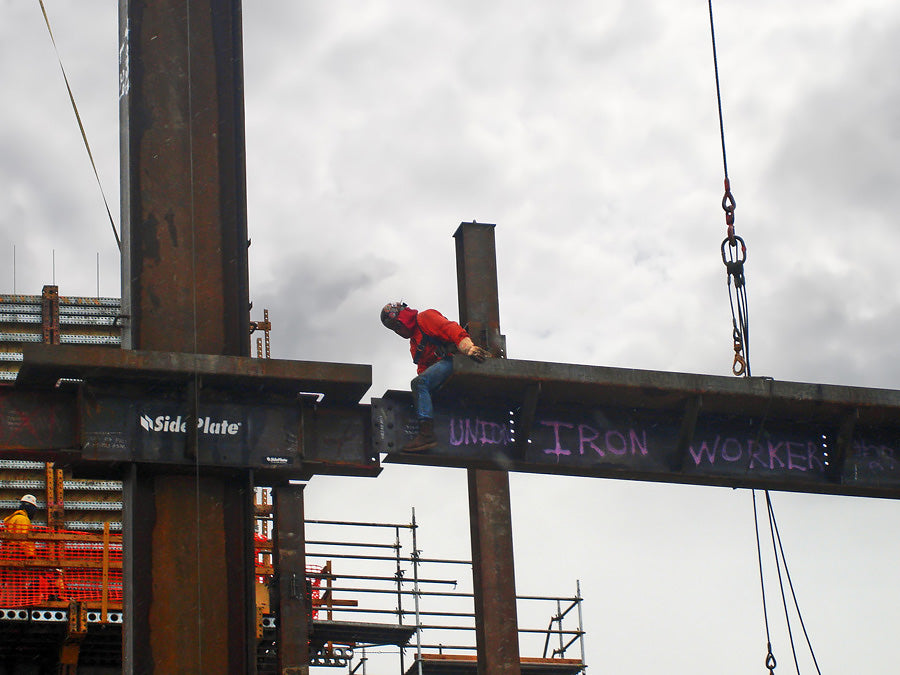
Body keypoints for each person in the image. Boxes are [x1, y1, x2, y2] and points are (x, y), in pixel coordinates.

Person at [381, 302, 491, 452]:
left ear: (403, 318)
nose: (398, 331)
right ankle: (433, 421)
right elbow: (423, 368)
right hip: (444, 370)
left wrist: (468, 348)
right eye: (394, 329)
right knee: (422, 384)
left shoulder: (425, 318)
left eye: (397, 326)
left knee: (419, 384)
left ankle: (426, 435)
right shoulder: (414, 345)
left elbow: (450, 328)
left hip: (456, 361)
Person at [3, 494, 37, 559]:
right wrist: (30, 556)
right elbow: (23, 539)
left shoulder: (14, 518)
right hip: (18, 555)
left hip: (10, 554)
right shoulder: (22, 519)